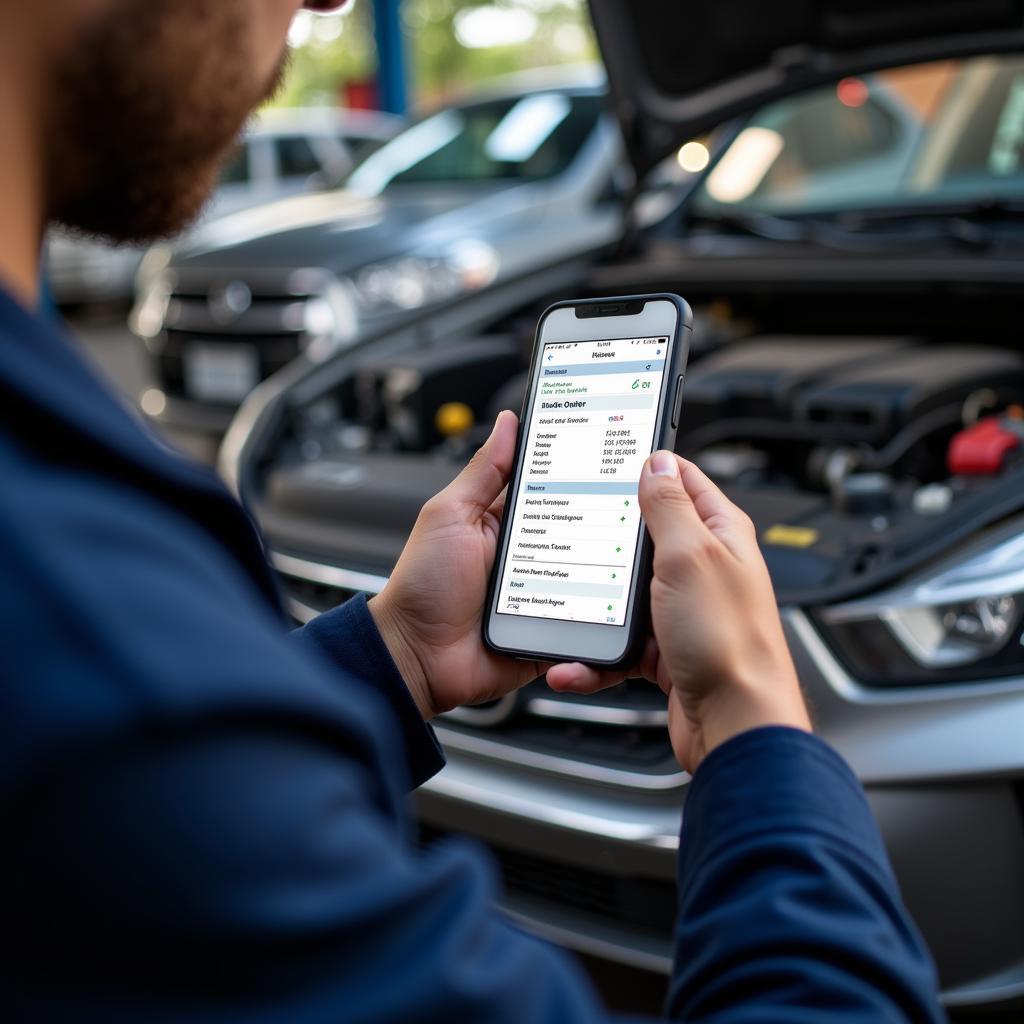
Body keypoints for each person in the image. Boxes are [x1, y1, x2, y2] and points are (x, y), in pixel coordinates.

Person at [0, 1, 945, 1021]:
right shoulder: (77, 618)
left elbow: (164, 825)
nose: (328, 0)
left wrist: (395, 652)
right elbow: (157, 776)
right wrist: (757, 730)